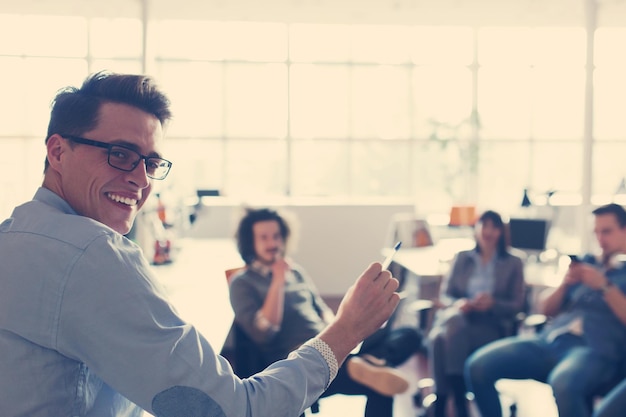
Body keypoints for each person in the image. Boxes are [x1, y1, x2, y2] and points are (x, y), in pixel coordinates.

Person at [0, 70, 401, 417]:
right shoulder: (93, 252)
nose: (140, 180)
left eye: (151, 163)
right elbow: (235, 410)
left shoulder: (13, 235)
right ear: (57, 151)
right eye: (120, 154)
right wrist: (347, 329)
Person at [228, 207, 412, 417]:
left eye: (277, 236)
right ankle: (365, 363)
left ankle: (367, 361)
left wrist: (341, 328)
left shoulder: (295, 272)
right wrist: (277, 281)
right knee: (381, 382)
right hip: (299, 359)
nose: (273, 243)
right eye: (264, 237)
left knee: (408, 335)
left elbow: (320, 309)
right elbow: (265, 333)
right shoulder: (242, 283)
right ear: (250, 242)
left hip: (329, 342)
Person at [465, 203, 626, 417]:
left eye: (606, 231)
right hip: (549, 340)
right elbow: (544, 308)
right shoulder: (588, 263)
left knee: (563, 383)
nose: (600, 239)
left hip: (593, 349)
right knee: (477, 367)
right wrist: (565, 284)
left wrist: (604, 285)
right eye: (596, 232)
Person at [427, 210, 525, 417]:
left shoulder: (513, 263)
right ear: (476, 228)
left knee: (439, 338)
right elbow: (445, 296)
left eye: (494, 226)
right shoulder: (463, 258)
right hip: (460, 319)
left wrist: (493, 303)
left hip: (489, 325)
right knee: (449, 327)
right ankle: (457, 399)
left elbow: (518, 305)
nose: (488, 231)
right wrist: (459, 303)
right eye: (484, 225)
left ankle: (443, 403)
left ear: (501, 231)